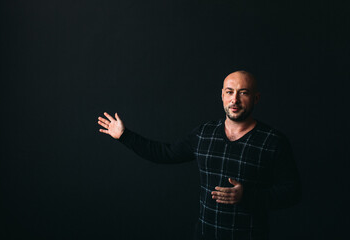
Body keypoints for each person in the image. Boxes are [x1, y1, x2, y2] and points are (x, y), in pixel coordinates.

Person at [97, 70, 301, 240]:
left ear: (255, 98)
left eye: (243, 93)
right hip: (204, 235)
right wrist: (124, 136)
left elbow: (292, 192)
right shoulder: (204, 133)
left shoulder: (273, 141)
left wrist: (247, 196)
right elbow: (165, 154)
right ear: (222, 95)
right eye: (229, 92)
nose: (235, 99)